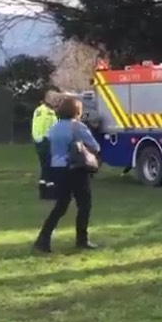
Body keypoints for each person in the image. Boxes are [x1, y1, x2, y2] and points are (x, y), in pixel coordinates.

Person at [34, 96, 100, 253]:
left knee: (60, 206)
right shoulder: (77, 127)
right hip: (75, 169)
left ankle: (43, 239)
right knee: (84, 204)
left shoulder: (54, 128)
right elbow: (95, 146)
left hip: (57, 170)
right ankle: (81, 239)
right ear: (77, 111)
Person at [32, 89, 60, 198]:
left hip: (45, 141)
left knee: (46, 167)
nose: (56, 101)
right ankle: (49, 192)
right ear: (48, 98)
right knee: (49, 166)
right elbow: (41, 126)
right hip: (45, 141)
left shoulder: (48, 111)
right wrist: (42, 139)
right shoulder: (44, 111)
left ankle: (44, 191)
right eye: (54, 98)